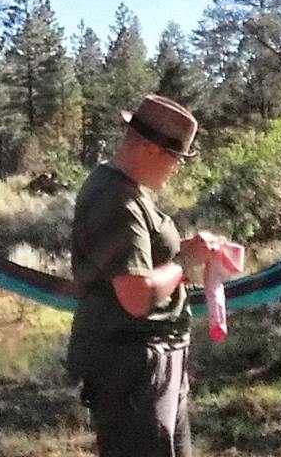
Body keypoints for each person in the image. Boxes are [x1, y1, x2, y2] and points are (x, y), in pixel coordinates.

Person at [66, 94, 219, 457]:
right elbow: (136, 295)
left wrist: (183, 255)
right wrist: (186, 260)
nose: (177, 168)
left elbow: (138, 262)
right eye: (176, 158)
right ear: (151, 149)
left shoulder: (128, 189)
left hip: (154, 362)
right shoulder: (116, 199)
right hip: (133, 367)